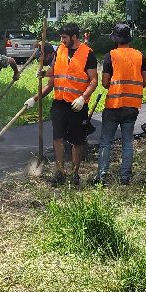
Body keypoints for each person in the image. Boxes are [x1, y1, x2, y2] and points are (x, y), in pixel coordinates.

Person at [34, 22, 96, 186]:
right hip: (59, 102)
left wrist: (83, 98)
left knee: (77, 141)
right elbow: (55, 72)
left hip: (77, 105)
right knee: (57, 138)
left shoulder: (88, 54)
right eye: (61, 37)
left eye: (64, 37)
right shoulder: (60, 50)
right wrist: (43, 72)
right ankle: (60, 171)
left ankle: (75, 174)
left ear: (74, 37)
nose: (61, 40)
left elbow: (94, 81)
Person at [97, 23, 146, 185]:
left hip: (114, 104)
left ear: (115, 39)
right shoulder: (140, 56)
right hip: (132, 105)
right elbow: (145, 82)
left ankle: (102, 177)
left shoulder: (110, 56)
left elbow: (105, 82)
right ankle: (125, 177)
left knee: (106, 141)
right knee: (127, 142)